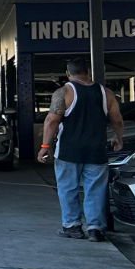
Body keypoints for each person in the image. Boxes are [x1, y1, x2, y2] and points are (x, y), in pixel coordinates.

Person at [37, 59, 122, 240]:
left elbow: (51, 120)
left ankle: (72, 226)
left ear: (68, 73)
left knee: (68, 189)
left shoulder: (64, 92)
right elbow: (117, 119)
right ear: (88, 72)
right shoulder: (106, 93)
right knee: (96, 190)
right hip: (97, 151)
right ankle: (95, 229)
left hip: (69, 151)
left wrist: (45, 146)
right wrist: (118, 137)